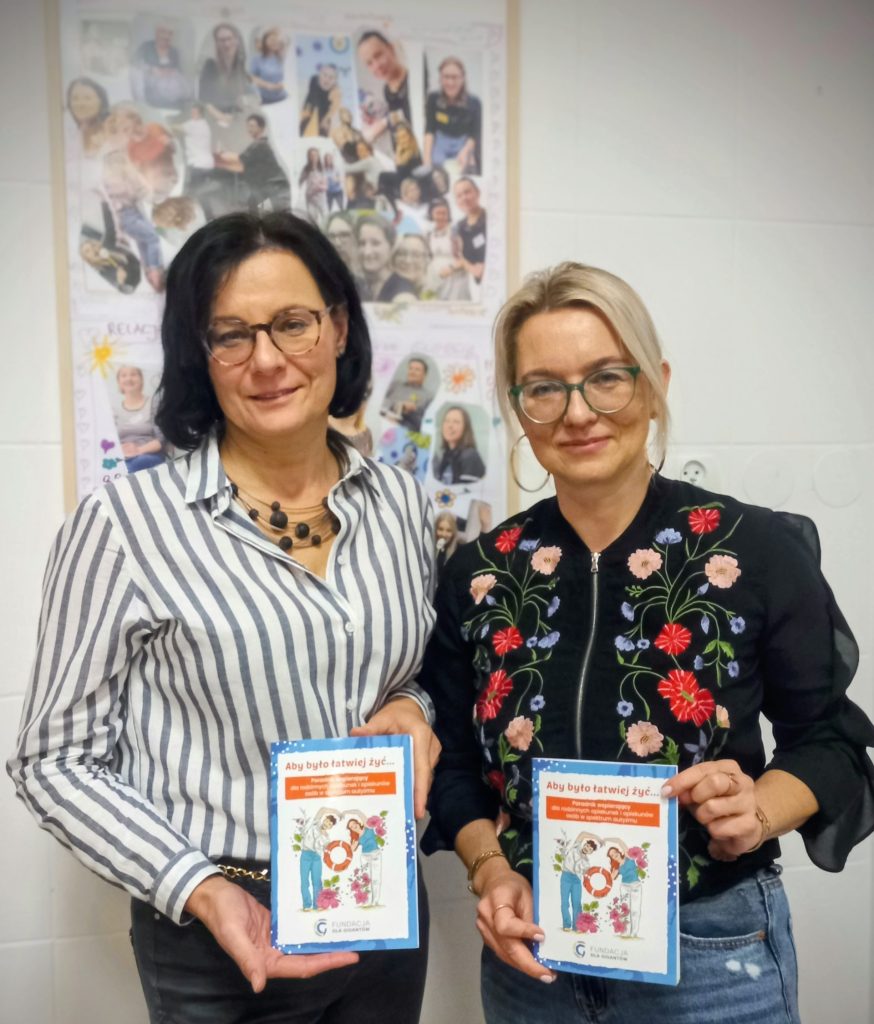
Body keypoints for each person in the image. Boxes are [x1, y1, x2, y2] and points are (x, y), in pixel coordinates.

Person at [8, 211, 440, 1024]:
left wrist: (412, 709)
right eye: (231, 335)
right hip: (221, 929)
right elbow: (52, 759)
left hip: (379, 897)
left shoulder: (403, 506)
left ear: (339, 328)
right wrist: (199, 888)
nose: (267, 360)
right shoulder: (125, 525)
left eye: (292, 323)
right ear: (198, 356)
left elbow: (410, 671)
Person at [420, 261, 874, 1023]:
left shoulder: (752, 550)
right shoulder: (481, 574)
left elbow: (831, 740)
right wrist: (490, 868)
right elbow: (456, 764)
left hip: (711, 955)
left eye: (606, 377)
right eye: (545, 388)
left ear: (655, 383)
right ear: (518, 408)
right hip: (535, 958)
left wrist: (759, 811)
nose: (578, 412)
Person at [356, 31, 413, 160]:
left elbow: (409, 115)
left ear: (391, 49)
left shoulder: (414, 81)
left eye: (378, 55)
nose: (377, 66)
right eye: (369, 63)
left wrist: (382, 124)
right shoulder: (387, 90)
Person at [219, 114, 291, 212]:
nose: (249, 129)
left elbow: (238, 159)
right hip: (263, 188)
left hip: (274, 190)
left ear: (261, 128)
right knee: (254, 209)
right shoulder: (258, 144)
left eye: (252, 126)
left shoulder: (260, 145)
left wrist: (220, 155)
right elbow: (240, 162)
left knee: (269, 214)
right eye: (248, 126)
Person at [423, 57, 481, 174]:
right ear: (440, 78)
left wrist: (466, 150)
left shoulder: (474, 103)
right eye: (446, 77)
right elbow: (429, 131)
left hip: (463, 142)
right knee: (435, 171)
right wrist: (426, 161)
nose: (450, 82)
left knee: (469, 168)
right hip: (441, 141)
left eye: (455, 77)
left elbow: (474, 134)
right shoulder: (433, 99)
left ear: (462, 78)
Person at [198, 22, 255, 121]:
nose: (226, 44)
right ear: (217, 43)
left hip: (238, 116)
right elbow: (204, 98)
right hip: (214, 117)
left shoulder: (242, 66)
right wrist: (220, 116)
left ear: (236, 40)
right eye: (222, 40)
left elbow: (250, 93)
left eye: (229, 39)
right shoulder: (210, 65)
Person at [354, 216, 417, 303]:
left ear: (391, 247)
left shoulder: (401, 289)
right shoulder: (357, 284)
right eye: (362, 243)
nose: (367, 252)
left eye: (375, 243)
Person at [114, 365, 165, 472]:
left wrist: (138, 450)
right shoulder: (114, 410)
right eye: (124, 375)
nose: (129, 378)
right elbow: (109, 442)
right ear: (119, 382)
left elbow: (162, 439)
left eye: (133, 374)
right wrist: (121, 452)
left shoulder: (154, 404)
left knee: (132, 465)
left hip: (148, 455)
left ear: (141, 380)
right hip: (122, 457)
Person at [131, 24, 192, 110]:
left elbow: (180, 71)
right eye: (163, 32)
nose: (166, 36)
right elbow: (134, 65)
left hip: (171, 94)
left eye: (170, 33)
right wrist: (151, 70)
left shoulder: (174, 52)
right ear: (156, 33)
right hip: (150, 93)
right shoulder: (146, 47)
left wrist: (171, 72)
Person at [432, 405, 486, 485]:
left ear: (465, 428)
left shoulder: (470, 456)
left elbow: (466, 490)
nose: (450, 425)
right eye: (446, 421)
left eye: (456, 422)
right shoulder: (447, 455)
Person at [380, 356, 435, 431]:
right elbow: (378, 402)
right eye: (410, 368)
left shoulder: (429, 396)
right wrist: (400, 405)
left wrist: (412, 413)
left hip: (405, 431)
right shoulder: (395, 385)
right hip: (381, 423)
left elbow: (428, 423)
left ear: (424, 375)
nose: (412, 372)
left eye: (417, 369)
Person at [452, 177, 486, 292]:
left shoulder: (490, 221)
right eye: (459, 196)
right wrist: (470, 267)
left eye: (467, 192)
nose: (464, 198)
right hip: (472, 287)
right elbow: (458, 256)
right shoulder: (459, 227)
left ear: (477, 193)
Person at [66, 76, 109, 155]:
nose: (80, 104)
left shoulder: (111, 133)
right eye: (75, 98)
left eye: (87, 98)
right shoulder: (68, 135)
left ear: (101, 101)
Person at [299, 64, 341, 138]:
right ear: (319, 75)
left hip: (324, 114)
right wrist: (305, 113)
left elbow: (334, 107)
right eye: (325, 75)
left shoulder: (335, 91)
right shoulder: (313, 80)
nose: (327, 79)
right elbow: (309, 98)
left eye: (331, 78)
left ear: (335, 81)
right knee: (303, 125)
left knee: (323, 130)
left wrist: (326, 119)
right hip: (310, 110)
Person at [249, 27, 287, 105]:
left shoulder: (279, 57)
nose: (275, 42)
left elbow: (287, 40)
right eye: (272, 40)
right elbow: (252, 78)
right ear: (265, 41)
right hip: (265, 100)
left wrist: (277, 31)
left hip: (281, 98)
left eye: (276, 40)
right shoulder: (257, 59)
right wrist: (270, 86)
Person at [434, 511, 459, 581]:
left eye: (448, 530)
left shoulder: (457, 552)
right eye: (440, 529)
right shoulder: (428, 549)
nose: (444, 534)